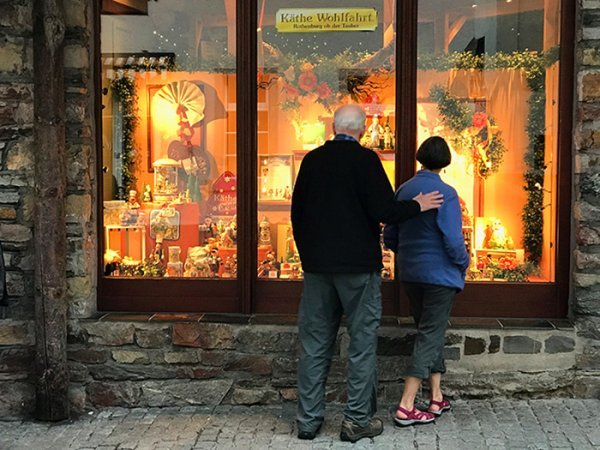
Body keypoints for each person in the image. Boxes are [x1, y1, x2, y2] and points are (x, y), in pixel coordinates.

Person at [291, 104, 444, 443]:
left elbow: (296, 214)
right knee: (361, 344)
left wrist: (308, 256)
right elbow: (384, 211)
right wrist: (418, 205)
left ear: (333, 127)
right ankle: (357, 420)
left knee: (314, 345)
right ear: (361, 129)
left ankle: (308, 421)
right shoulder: (366, 161)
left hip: (318, 268)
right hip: (358, 268)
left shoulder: (311, 161)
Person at [383, 136, 470, 427]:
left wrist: (408, 255)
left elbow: (390, 236)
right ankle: (406, 404)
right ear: (445, 161)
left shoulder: (404, 190)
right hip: (440, 275)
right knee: (429, 334)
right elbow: (453, 239)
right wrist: (463, 262)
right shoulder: (446, 193)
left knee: (428, 331)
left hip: (411, 273)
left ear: (420, 157)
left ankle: (436, 396)